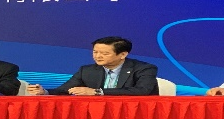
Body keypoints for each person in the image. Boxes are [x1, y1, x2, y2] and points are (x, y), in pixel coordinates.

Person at [28, 36, 158, 95]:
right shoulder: (87, 70)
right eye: (95, 52)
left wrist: (97, 92)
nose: (98, 56)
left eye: (105, 53)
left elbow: (142, 91)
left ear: (122, 54)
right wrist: (45, 92)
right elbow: (65, 89)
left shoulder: (144, 69)